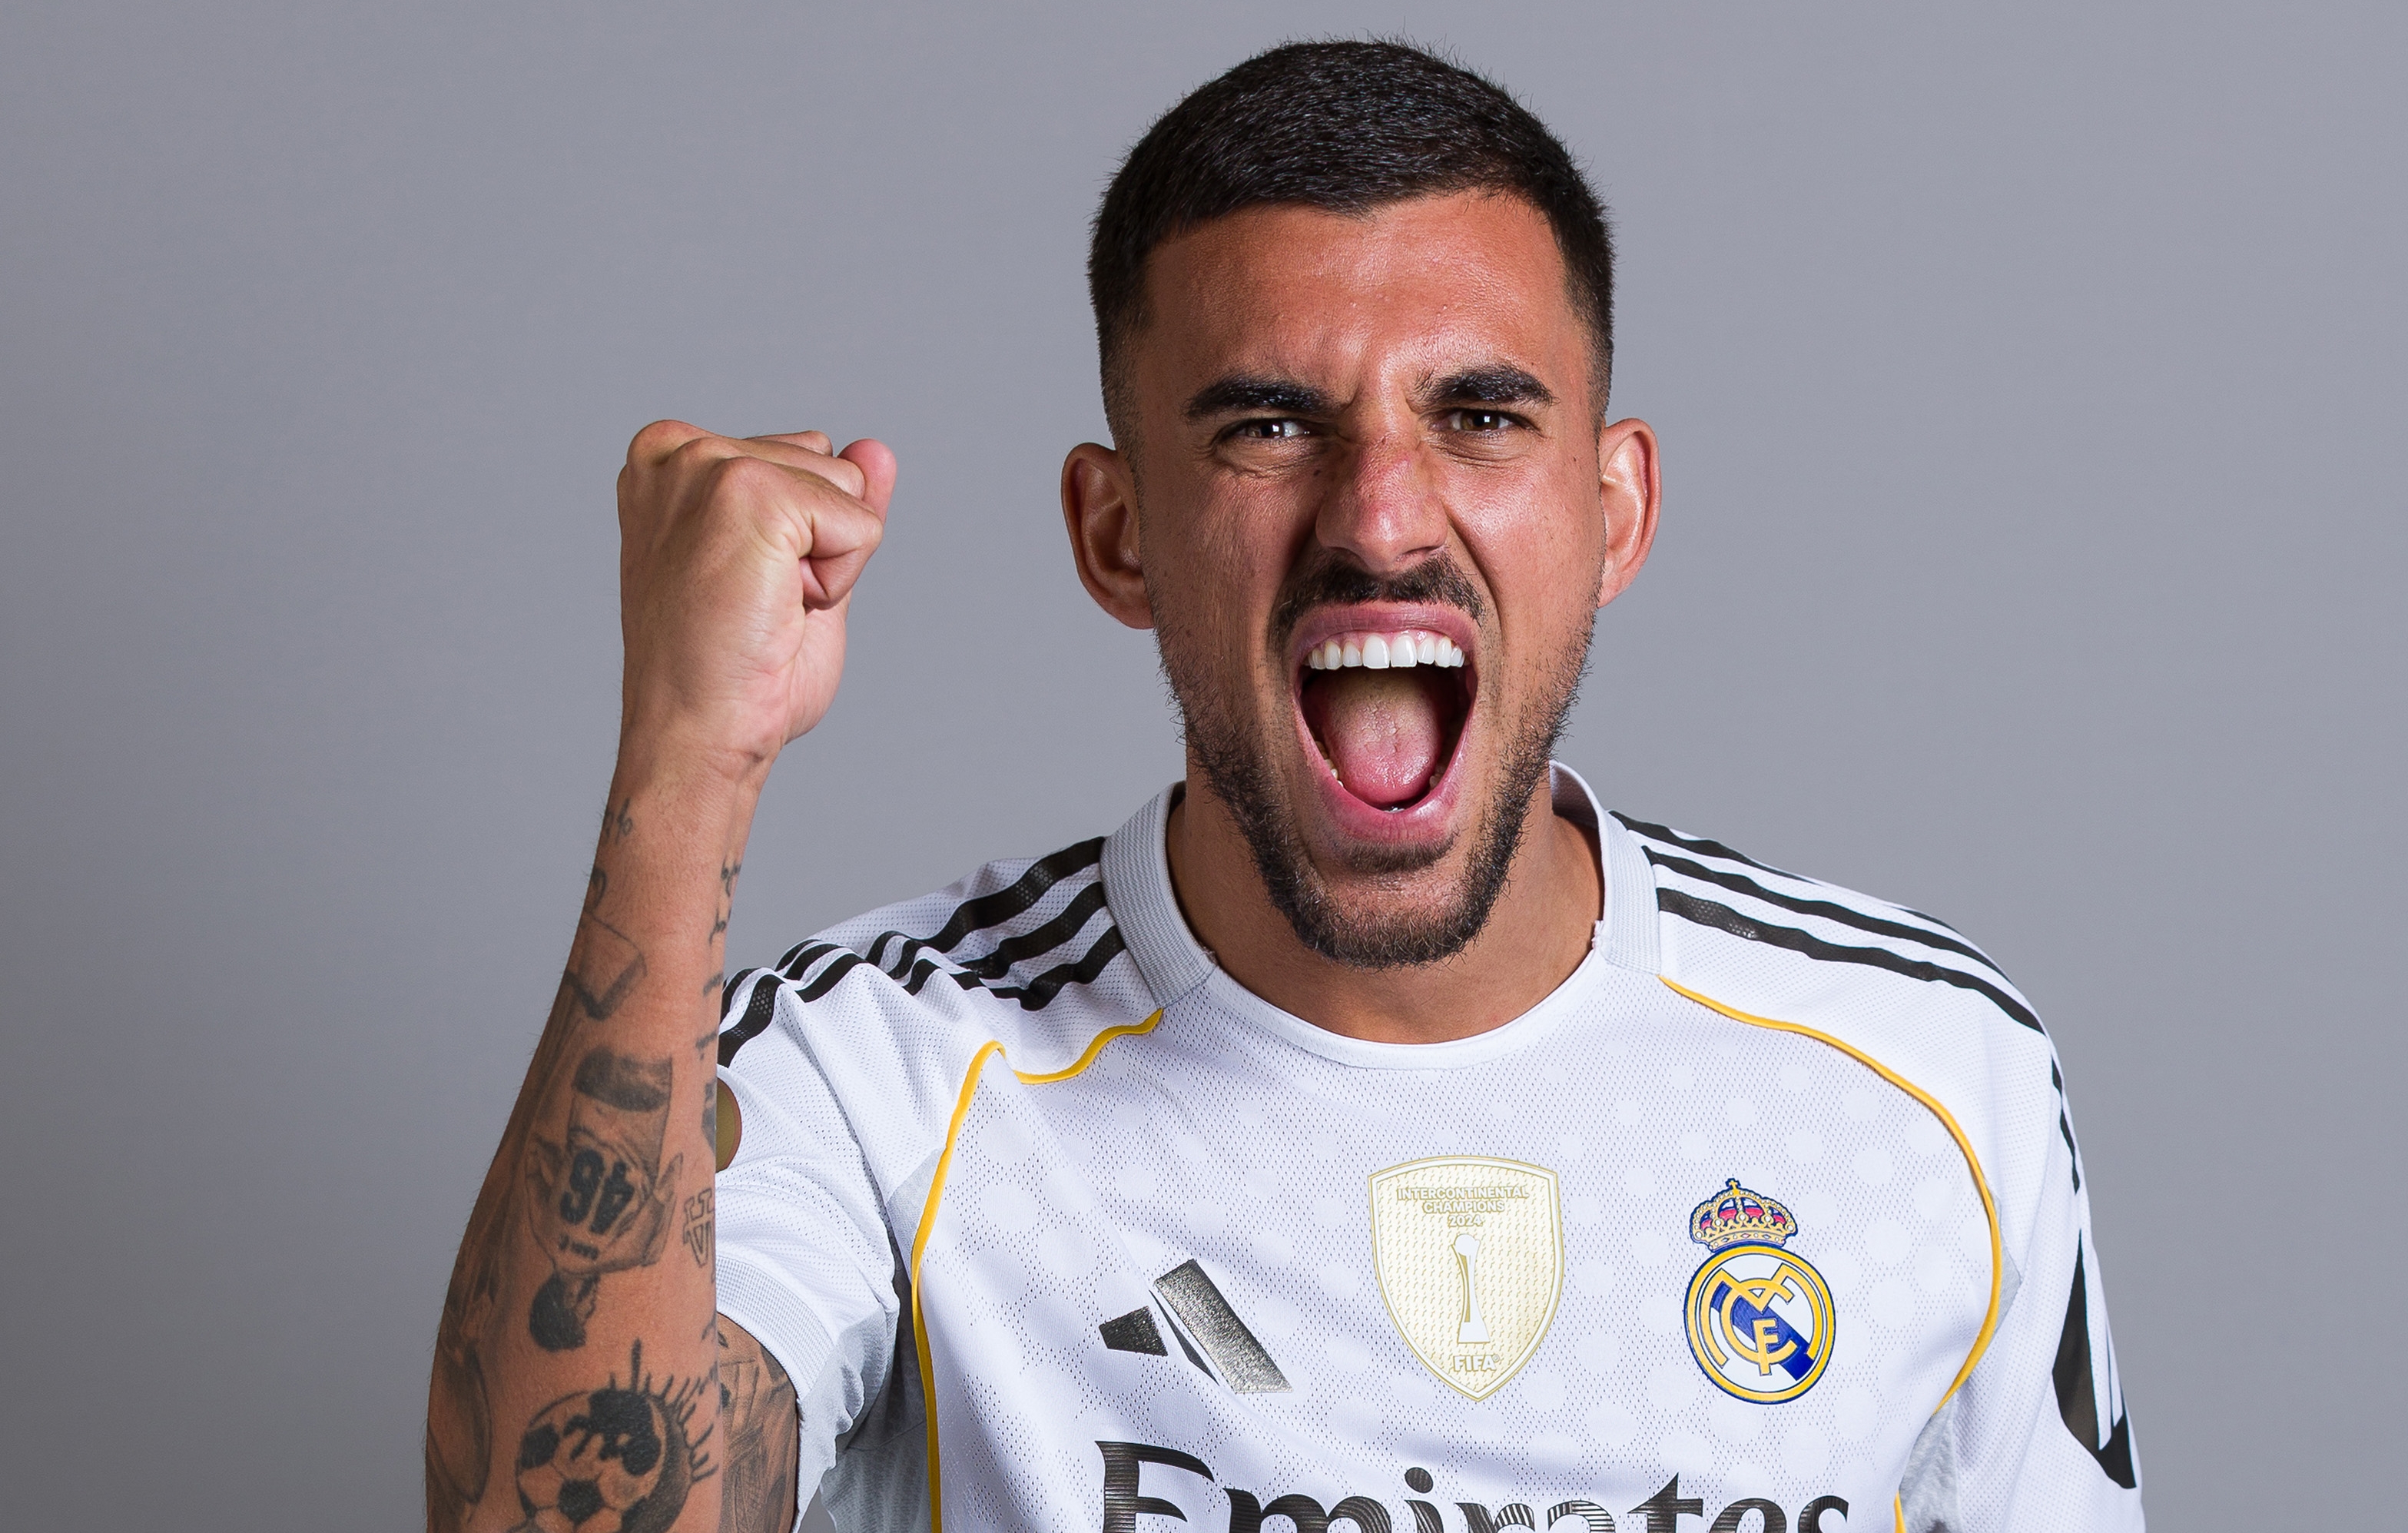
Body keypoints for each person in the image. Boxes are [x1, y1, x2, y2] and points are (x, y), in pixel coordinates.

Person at [426, 39, 2142, 1533]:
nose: (1380, 516)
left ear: (1612, 512)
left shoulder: (1932, 1071)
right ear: (1118, 533)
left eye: (1482, 417)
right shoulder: (879, 1070)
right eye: (1266, 426)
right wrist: (689, 764)